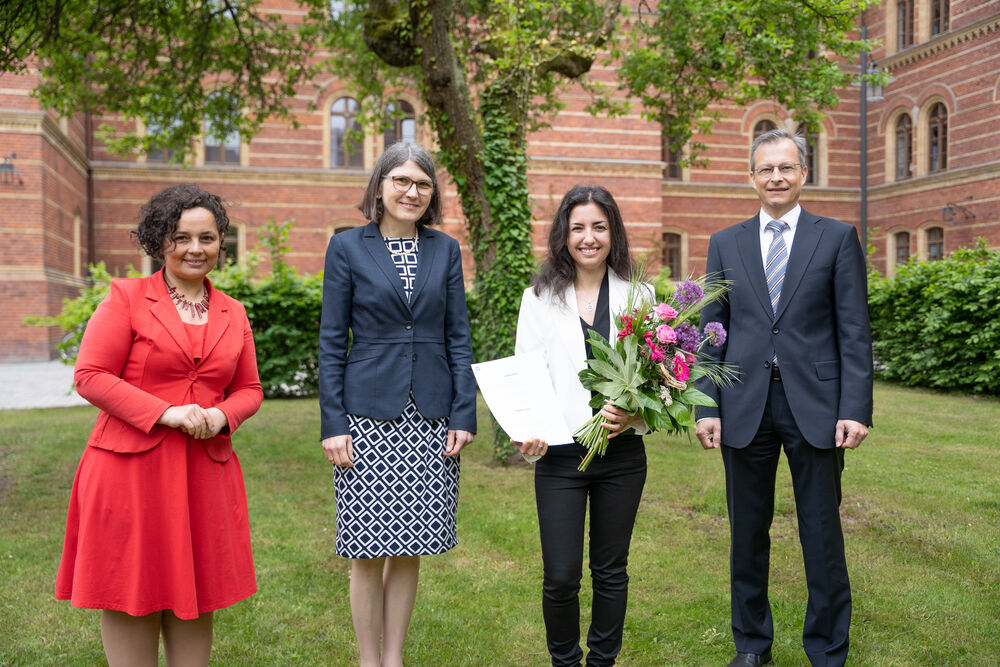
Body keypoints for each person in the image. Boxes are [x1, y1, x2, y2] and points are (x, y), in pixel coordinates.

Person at [55, 184, 263, 666]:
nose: (195, 249)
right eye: (181, 237)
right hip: (131, 472)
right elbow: (90, 376)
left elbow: (250, 390)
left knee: (196, 592)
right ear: (159, 241)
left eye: (207, 238)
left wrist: (222, 415)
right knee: (133, 589)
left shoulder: (234, 311)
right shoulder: (126, 298)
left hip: (203, 473)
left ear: (220, 242)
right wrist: (164, 412)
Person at [695, 128, 874, 667]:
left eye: (787, 168)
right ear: (751, 177)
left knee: (821, 534)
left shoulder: (837, 237)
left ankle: (826, 649)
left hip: (817, 407)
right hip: (742, 405)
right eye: (766, 169)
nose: (776, 177)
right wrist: (706, 404)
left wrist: (854, 408)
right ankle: (751, 646)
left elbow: (855, 331)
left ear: (804, 174)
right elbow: (711, 330)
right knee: (746, 534)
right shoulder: (725, 242)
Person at [318, 142, 476, 667]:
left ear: (432, 194)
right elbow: (331, 340)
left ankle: (394, 659)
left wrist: (463, 412)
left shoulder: (445, 250)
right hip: (364, 414)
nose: (412, 192)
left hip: (429, 416)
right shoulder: (346, 247)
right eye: (402, 181)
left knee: (410, 546)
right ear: (381, 186)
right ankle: (368, 661)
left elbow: (458, 337)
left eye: (423, 184)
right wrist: (333, 422)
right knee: (365, 550)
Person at [513, 185, 650, 666]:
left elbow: (661, 383)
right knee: (561, 574)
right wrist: (526, 431)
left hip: (623, 456)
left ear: (612, 232)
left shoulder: (641, 295)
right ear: (563, 236)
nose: (588, 238)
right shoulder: (537, 298)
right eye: (578, 228)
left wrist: (637, 415)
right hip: (560, 458)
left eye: (598, 227)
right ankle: (565, 661)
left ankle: (602, 662)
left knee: (611, 571)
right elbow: (525, 377)